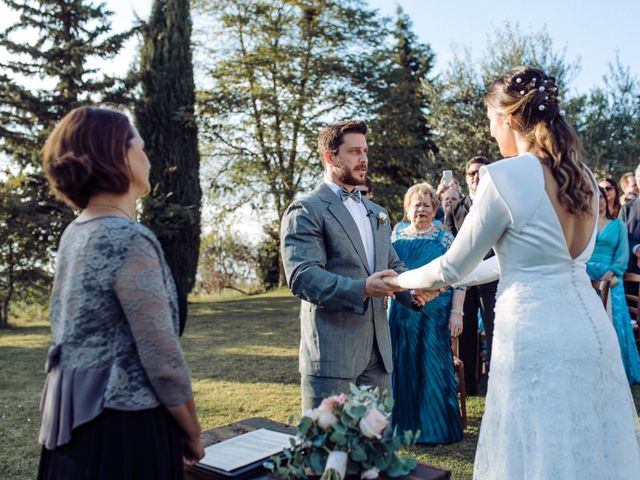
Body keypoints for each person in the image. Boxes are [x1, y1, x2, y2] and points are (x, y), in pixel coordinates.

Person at [383, 66, 640, 478]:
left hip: (534, 334)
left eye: (489, 118)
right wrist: (447, 284)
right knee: (588, 447)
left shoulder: (502, 176)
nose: (489, 130)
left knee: (536, 451)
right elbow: (511, 261)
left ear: (508, 116)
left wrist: (399, 280)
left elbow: (452, 264)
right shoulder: (585, 177)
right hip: (590, 329)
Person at [38, 107, 203, 480]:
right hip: (123, 436)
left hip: (70, 425)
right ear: (119, 155)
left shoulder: (75, 233)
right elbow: (162, 356)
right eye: (140, 147)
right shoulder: (129, 238)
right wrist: (192, 432)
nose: (147, 156)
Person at [280, 119, 417, 412]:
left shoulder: (376, 212)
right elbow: (303, 276)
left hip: (378, 357)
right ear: (331, 157)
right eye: (355, 152)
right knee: (329, 453)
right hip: (333, 355)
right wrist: (362, 289)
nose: (364, 159)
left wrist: (414, 289)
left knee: (375, 450)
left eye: (365, 151)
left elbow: (391, 263)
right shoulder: (306, 209)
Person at [388, 182, 464, 444]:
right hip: (401, 312)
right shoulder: (394, 239)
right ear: (407, 209)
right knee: (403, 364)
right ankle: (402, 428)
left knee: (432, 364)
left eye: (426, 205)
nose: (421, 209)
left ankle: (435, 428)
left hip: (435, 313)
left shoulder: (444, 239)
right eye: (416, 204)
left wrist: (457, 312)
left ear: (435, 210)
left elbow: (460, 278)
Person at [444, 155, 497, 394]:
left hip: (492, 278)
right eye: (471, 173)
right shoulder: (456, 207)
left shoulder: (497, 204)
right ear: (465, 178)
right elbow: (449, 242)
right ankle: (470, 385)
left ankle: (496, 381)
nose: (476, 177)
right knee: (464, 332)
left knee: (495, 329)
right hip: (463, 280)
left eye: (481, 172)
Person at [587, 187, 640, 384]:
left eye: (602, 197)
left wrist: (613, 271)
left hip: (610, 275)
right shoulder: (584, 224)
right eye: (596, 197)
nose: (600, 201)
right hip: (584, 275)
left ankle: (617, 370)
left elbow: (623, 254)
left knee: (615, 318)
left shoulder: (617, 225)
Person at [619, 164, 640, 274]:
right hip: (631, 270)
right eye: (639, 176)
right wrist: (636, 249)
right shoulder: (626, 208)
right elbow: (621, 236)